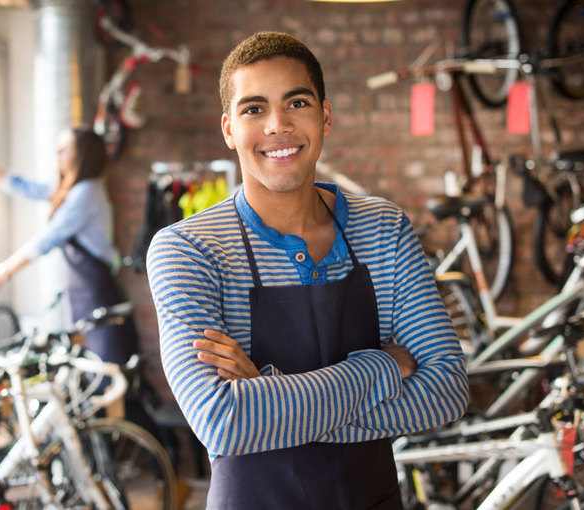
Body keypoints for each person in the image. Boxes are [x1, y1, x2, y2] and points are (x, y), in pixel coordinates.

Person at [146, 32, 468, 509]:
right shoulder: (189, 250)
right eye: (254, 109)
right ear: (229, 129)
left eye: (296, 102)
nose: (278, 125)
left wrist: (270, 396)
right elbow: (224, 422)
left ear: (325, 116)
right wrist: (382, 367)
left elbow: (445, 390)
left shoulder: (383, 229)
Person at [0, 127, 138, 364]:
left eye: (65, 148)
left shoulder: (85, 193)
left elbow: (47, 238)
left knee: (107, 368)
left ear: (83, 154)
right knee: (92, 366)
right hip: (84, 289)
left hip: (97, 291)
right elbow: (23, 186)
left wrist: (0, 274)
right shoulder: (71, 190)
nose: (57, 154)